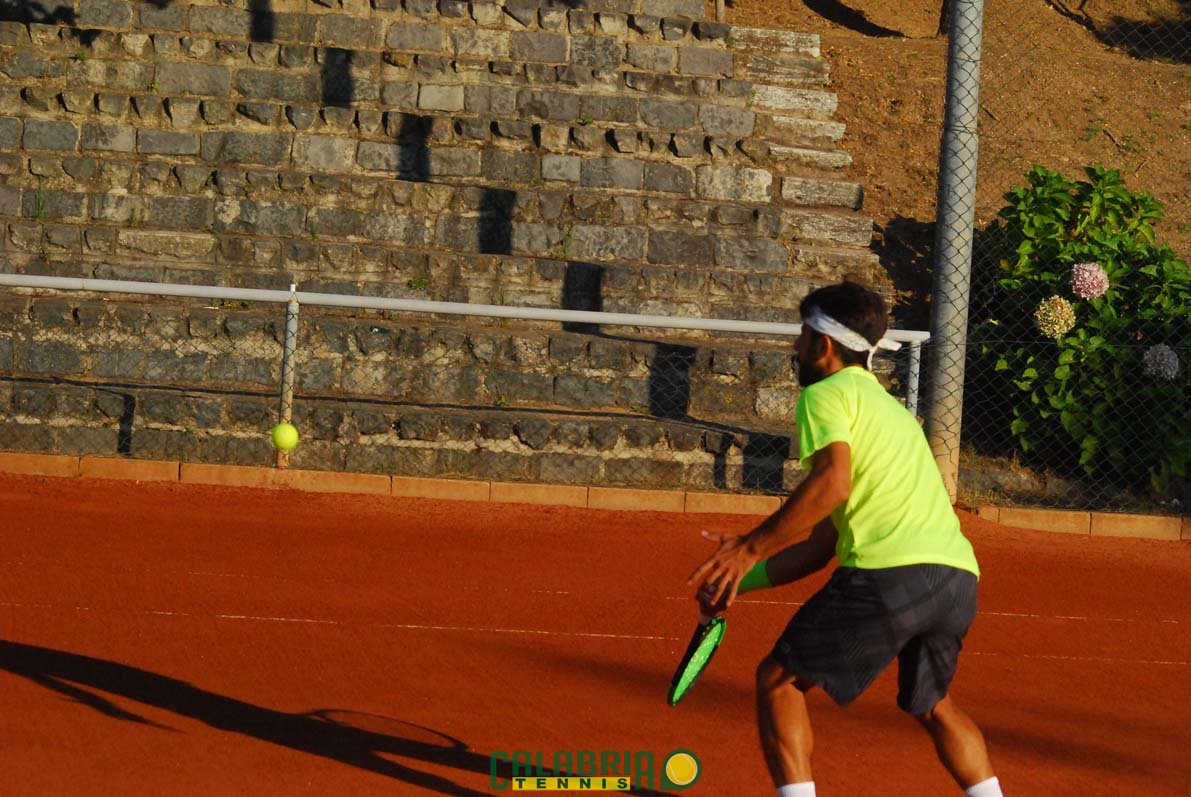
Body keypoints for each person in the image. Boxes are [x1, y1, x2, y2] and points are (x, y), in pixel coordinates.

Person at [690, 281, 1003, 797]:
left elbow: (831, 483)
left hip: (889, 575)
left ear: (824, 345)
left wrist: (747, 549)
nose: (795, 347)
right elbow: (821, 544)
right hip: (956, 580)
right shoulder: (891, 411)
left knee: (779, 682)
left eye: (802, 336)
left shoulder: (824, 394)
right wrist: (742, 578)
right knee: (933, 704)